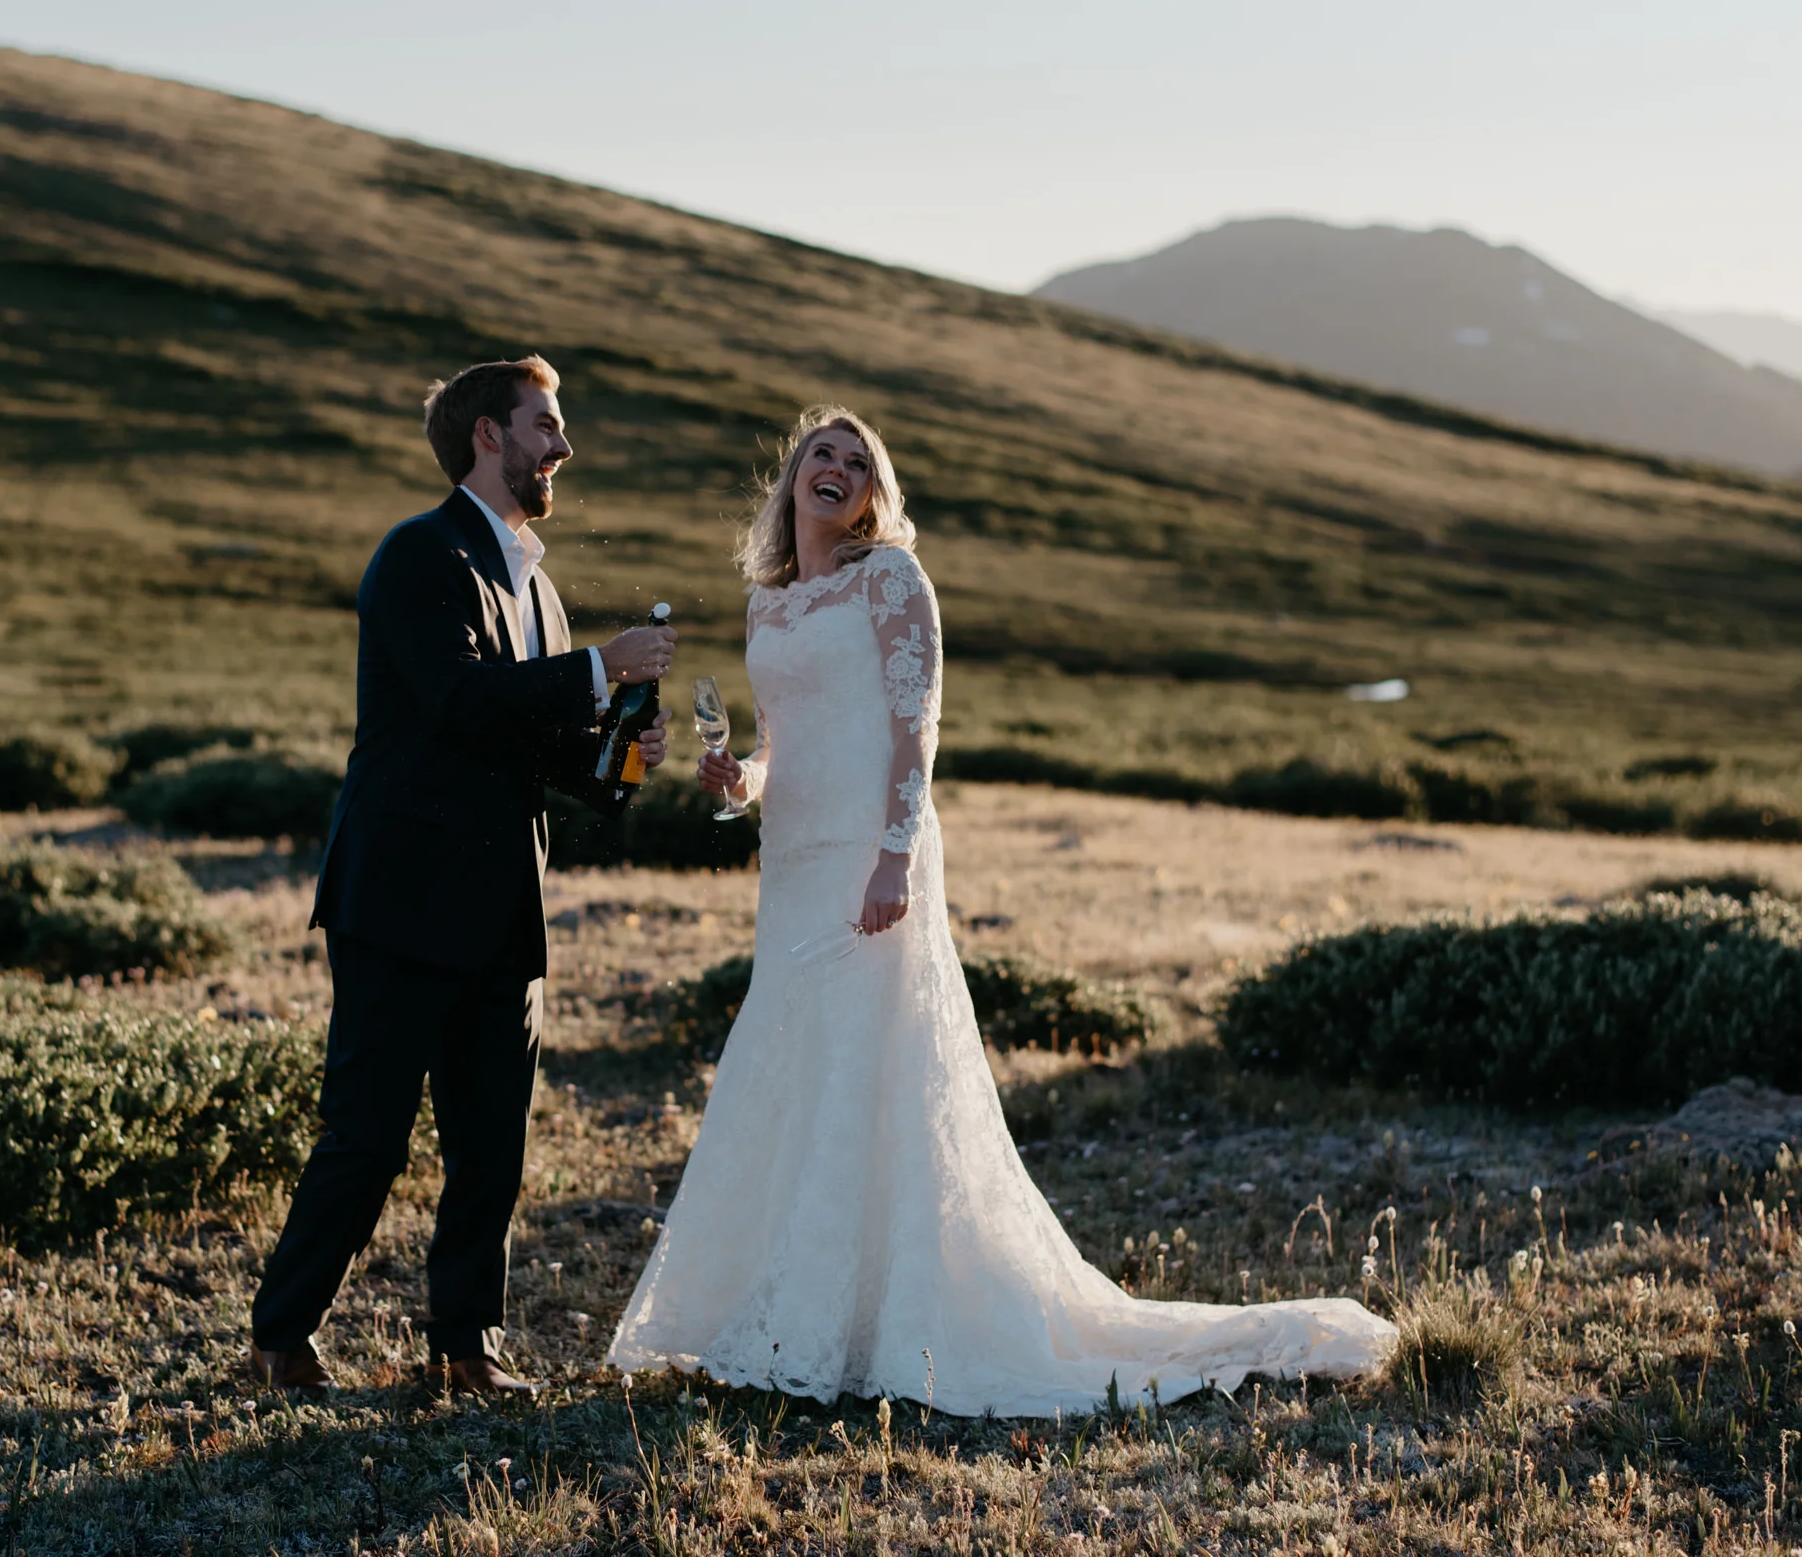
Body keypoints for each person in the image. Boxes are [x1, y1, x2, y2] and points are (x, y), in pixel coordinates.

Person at [606, 406, 1394, 1414]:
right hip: (792, 867)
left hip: (870, 860)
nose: (837, 469)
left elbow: (913, 729)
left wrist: (893, 856)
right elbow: (781, 747)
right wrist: (737, 781)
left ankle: (874, 1318)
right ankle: (793, 1311)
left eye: (858, 461)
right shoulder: (769, 604)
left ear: (874, 493)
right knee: (794, 1063)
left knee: (865, 1063)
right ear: (791, 478)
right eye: (821, 455)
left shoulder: (892, 580)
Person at [253, 355, 674, 1400]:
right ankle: (280, 1334)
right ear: (488, 434)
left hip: (504, 909)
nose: (561, 447)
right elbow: (458, 701)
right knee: (368, 1135)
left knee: (492, 1141)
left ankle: (466, 1344)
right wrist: (599, 669)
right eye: (546, 424)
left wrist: (620, 752)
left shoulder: (538, 583)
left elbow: (540, 756)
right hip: (399, 901)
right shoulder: (416, 555)